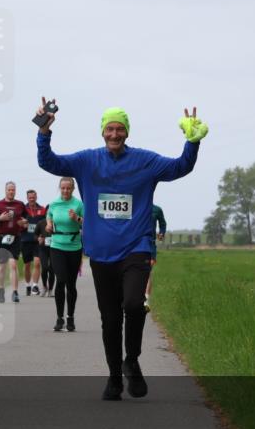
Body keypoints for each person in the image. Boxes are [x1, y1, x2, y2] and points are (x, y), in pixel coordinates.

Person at [36, 99, 207, 400]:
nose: (114, 134)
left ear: (127, 132)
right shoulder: (86, 161)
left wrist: (191, 142)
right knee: (111, 318)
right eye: (109, 129)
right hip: (102, 253)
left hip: (136, 247)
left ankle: (132, 360)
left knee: (132, 304)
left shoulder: (145, 161)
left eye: (120, 129)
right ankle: (115, 376)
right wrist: (44, 131)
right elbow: (49, 162)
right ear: (102, 132)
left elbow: (181, 166)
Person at [45, 177, 84, 332]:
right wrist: (48, 225)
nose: (65, 191)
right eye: (63, 188)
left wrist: (77, 218)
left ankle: (70, 317)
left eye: (68, 188)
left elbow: (87, 222)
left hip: (74, 246)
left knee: (71, 284)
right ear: (59, 188)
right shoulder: (54, 204)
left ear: (73, 189)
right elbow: (49, 216)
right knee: (60, 280)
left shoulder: (79, 204)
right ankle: (59, 318)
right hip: (57, 245)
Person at [0, 182, 28, 303]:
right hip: (1, 238)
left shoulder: (20, 204)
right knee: (1, 267)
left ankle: (15, 292)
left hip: (15, 238)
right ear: (5, 191)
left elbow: (26, 220)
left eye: (13, 190)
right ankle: (1, 290)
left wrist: (24, 223)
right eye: (9, 190)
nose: (11, 192)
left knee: (13, 265)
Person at [21, 189, 48, 296]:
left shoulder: (42, 210)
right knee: (27, 265)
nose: (32, 199)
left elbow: (46, 224)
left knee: (37, 262)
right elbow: (17, 222)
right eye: (30, 197)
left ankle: (35, 286)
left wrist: (43, 235)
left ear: (36, 197)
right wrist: (22, 225)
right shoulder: (23, 210)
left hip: (37, 240)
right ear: (27, 198)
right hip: (25, 240)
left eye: (33, 197)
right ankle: (28, 284)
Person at [144, 204, 167, 312]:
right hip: (135, 244)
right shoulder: (135, 206)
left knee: (147, 272)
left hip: (150, 244)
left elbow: (162, 224)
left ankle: (146, 300)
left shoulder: (157, 209)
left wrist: (161, 233)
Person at [34, 217, 55, 298]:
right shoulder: (41, 223)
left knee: (52, 269)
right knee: (45, 267)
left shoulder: (57, 222)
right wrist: (38, 238)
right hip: (43, 248)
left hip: (54, 248)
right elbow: (35, 234)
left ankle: (50, 290)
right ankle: (44, 287)